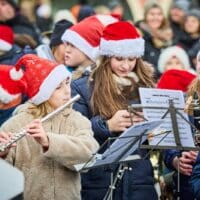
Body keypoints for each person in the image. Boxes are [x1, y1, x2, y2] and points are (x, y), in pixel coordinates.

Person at [71, 21, 158, 200]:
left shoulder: (147, 87)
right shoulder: (83, 87)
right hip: (99, 181)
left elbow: (159, 139)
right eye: (119, 59)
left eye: (132, 59)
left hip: (139, 181)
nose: (126, 66)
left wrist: (154, 132)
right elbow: (73, 132)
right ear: (106, 57)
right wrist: (106, 125)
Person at [0, 54, 99, 200]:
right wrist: (3, 154)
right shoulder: (15, 124)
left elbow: (89, 156)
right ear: (42, 94)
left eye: (67, 83)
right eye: (58, 87)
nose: (67, 91)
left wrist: (49, 142)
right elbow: (5, 181)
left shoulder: (77, 121)